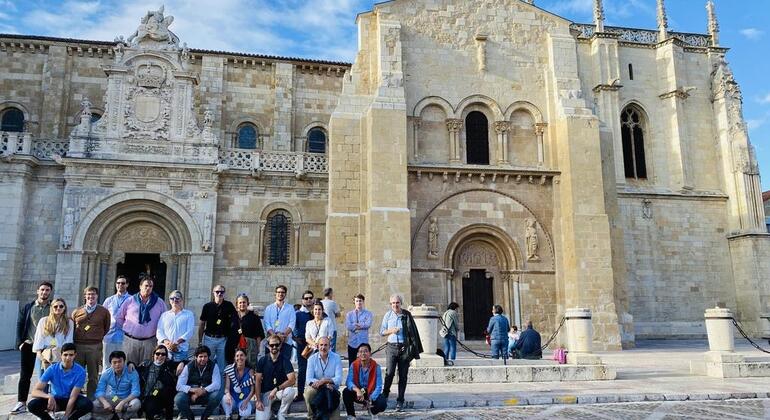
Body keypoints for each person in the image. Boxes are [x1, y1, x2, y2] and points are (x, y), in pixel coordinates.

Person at [11, 281, 52, 415]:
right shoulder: (28, 307)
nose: (44, 292)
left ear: (50, 292)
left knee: (45, 375)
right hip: (29, 344)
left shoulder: (53, 307)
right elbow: (20, 324)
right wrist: (20, 343)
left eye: (47, 290)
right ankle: (21, 402)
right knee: (25, 374)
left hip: (46, 348)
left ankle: (43, 402)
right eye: (42, 290)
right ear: (37, 291)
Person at [27, 342, 93, 420]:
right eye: (65, 355)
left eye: (71, 355)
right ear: (61, 355)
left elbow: (73, 397)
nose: (68, 358)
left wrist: (66, 416)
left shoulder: (81, 371)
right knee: (32, 405)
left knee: (88, 404)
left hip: (71, 399)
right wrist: (49, 396)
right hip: (55, 400)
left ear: (75, 355)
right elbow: (35, 392)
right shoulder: (52, 369)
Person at [379, 294, 422, 411]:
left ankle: (400, 400)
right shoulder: (387, 315)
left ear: (400, 303)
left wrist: (410, 348)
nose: (395, 305)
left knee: (403, 375)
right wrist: (391, 331)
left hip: (404, 349)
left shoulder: (406, 315)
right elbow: (381, 332)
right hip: (391, 348)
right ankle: (385, 395)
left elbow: (412, 332)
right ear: (390, 304)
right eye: (393, 303)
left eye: (397, 303)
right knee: (390, 373)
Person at [71, 286, 111, 398]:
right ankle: (76, 397)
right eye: (88, 294)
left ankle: (91, 399)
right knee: (77, 374)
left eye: (93, 294)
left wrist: (96, 335)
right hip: (78, 346)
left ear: (97, 296)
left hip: (94, 346)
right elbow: (72, 327)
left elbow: (106, 327)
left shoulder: (104, 312)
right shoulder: (77, 312)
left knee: (93, 375)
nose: (91, 297)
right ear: (85, 296)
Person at [116, 278, 167, 365]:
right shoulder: (130, 301)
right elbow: (119, 318)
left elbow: (165, 321)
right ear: (140, 286)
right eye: (146, 286)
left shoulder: (159, 302)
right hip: (130, 341)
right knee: (129, 367)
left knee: (146, 369)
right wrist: (129, 330)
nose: (148, 288)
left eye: (151, 286)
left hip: (150, 341)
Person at [254, 335, 297, 420]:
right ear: (268, 346)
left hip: (279, 392)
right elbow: (258, 381)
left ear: (280, 345)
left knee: (290, 391)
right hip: (266, 394)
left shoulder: (285, 360)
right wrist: (258, 400)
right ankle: (270, 412)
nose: (274, 347)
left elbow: (292, 380)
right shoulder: (262, 360)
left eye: (276, 345)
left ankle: (281, 413)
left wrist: (276, 389)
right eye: (271, 345)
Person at [175, 345, 224, 420]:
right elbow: (179, 385)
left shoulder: (214, 366)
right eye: (200, 356)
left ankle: (204, 417)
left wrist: (203, 390)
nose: (203, 359)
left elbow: (217, 384)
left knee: (217, 395)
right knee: (178, 399)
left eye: (205, 356)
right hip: (190, 395)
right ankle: (190, 417)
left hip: (206, 394)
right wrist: (194, 390)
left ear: (208, 357)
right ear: (196, 357)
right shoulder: (188, 366)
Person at [199, 285, 237, 373]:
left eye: (222, 292)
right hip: (209, 339)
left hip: (223, 340)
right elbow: (202, 324)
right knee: (207, 364)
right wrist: (200, 341)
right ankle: (207, 386)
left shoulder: (229, 305)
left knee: (222, 367)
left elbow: (236, 319)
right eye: (217, 292)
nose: (219, 294)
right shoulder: (207, 306)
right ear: (213, 293)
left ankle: (222, 387)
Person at [135, 344, 180, 420]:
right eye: (158, 353)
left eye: (163, 354)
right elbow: (136, 369)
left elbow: (187, 362)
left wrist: (181, 363)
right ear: (153, 355)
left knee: (168, 400)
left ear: (166, 356)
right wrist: (130, 363)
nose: (160, 356)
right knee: (150, 407)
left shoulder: (168, 365)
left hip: (164, 395)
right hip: (149, 395)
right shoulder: (146, 364)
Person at [343, 343, 387, 418]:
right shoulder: (354, 365)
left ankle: (373, 411)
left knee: (382, 403)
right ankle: (351, 416)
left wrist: (370, 399)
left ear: (370, 353)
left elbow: (379, 386)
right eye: (360, 351)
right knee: (346, 392)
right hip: (359, 392)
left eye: (366, 351)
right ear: (358, 354)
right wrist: (357, 390)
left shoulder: (376, 367)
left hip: (371, 392)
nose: (363, 353)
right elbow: (349, 381)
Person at [92, 351, 141, 419]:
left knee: (136, 404)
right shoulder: (107, 373)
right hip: (114, 398)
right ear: (111, 363)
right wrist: (105, 402)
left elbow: (136, 392)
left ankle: (124, 417)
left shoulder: (132, 372)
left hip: (127, 400)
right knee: (94, 405)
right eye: (114, 362)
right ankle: (114, 413)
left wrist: (122, 402)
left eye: (120, 361)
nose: (117, 364)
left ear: (124, 361)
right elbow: (99, 391)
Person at [304, 336, 343, 419]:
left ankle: (326, 412)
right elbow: (308, 379)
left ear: (330, 346)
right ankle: (311, 415)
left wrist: (325, 380)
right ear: (317, 346)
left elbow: (339, 379)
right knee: (308, 392)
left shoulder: (336, 358)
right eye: (321, 345)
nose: (323, 347)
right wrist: (323, 383)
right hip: (317, 388)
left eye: (326, 345)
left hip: (331, 391)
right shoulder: (311, 359)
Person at [33, 297, 74, 371]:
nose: (58, 308)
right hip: (44, 353)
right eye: (55, 306)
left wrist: (64, 355)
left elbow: (69, 340)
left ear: (64, 308)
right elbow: (39, 338)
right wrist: (40, 355)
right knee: (43, 380)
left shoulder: (69, 323)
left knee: (57, 381)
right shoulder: (44, 321)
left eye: (61, 306)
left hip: (60, 354)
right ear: (51, 308)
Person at [157, 290, 196, 361]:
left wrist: (176, 343)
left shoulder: (189, 314)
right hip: (165, 351)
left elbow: (189, 332)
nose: (175, 300)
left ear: (182, 300)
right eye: (172, 298)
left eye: (177, 298)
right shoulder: (164, 315)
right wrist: (168, 343)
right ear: (169, 300)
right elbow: (159, 331)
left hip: (180, 351)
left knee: (179, 371)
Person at [228, 293, 265, 368]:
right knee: (235, 367)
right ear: (237, 305)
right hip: (235, 345)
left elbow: (259, 335)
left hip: (250, 346)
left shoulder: (254, 317)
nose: (242, 304)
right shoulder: (232, 317)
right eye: (240, 302)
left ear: (247, 303)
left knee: (250, 367)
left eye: (244, 302)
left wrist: (257, 349)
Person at [102, 276, 130, 369]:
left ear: (127, 285)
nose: (120, 285)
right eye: (118, 283)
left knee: (123, 364)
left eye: (123, 283)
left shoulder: (132, 300)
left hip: (124, 337)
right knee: (107, 364)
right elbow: (103, 317)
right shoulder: (109, 300)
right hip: (109, 337)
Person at [262, 285, 296, 360]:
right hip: (271, 341)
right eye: (278, 292)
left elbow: (292, 324)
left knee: (285, 364)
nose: (280, 294)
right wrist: (276, 337)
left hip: (286, 341)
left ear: (285, 294)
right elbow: (267, 324)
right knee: (270, 364)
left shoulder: (290, 308)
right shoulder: (269, 308)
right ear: (275, 294)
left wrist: (283, 335)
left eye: (282, 292)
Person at [221, 348, 255, 420]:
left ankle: (241, 416)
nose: (239, 358)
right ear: (235, 358)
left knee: (246, 413)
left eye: (241, 355)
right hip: (232, 399)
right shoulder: (229, 370)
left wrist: (246, 401)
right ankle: (228, 416)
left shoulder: (250, 371)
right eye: (237, 356)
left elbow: (252, 390)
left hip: (244, 399)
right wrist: (228, 394)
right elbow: (227, 387)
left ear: (245, 357)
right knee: (224, 399)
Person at [293, 290, 314, 401]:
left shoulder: (316, 312)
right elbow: (292, 327)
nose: (308, 300)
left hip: (315, 345)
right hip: (303, 345)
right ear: (302, 300)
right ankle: (300, 393)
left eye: (310, 298)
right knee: (302, 369)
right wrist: (296, 339)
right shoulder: (297, 314)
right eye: (306, 298)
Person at [344, 294, 373, 365]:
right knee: (352, 364)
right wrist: (361, 325)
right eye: (357, 301)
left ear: (363, 302)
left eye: (360, 301)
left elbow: (368, 324)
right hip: (352, 342)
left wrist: (356, 325)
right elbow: (348, 326)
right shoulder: (349, 314)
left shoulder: (368, 314)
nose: (359, 303)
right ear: (354, 302)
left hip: (363, 342)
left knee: (364, 363)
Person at [320, 288, 340, 352]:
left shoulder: (320, 303)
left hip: (322, 327)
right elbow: (338, 314)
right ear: (330, 293)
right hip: (332, 327)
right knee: (332, 346)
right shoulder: (333, 303)